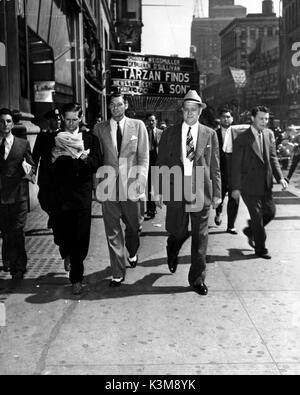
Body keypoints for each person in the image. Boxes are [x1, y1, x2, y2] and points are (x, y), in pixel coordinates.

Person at [156, 90, 221, 296]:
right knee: (177, 230)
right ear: (182, 111)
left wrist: (218, 193)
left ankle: (197, 279)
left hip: (201, 190)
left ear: (200, 112)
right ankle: (172, 246)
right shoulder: (169, 133)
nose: (190, 113)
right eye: (187, 109)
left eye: (194, 110)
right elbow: (162, 164)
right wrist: (158, 190)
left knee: (200, 237)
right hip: (176, 187)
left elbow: (215, 167)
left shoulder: (209, 134)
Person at [93, 93, 149, 288]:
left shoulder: (138, 126)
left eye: (119, 104)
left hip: (132, 185)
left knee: (134, 227)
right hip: (108, 186)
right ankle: (117, 272)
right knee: (112, 231)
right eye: (112, 105)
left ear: (125, 105)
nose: (115, 108)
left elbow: (143, 157)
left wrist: (141, 181)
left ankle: (132, 252)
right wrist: (97, 186)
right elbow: (96, 159)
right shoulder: (99, 129)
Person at [51, 103, 102, 295]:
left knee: (81, 236)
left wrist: (82, 156)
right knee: (63, 234)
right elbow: (49, 171)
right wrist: (53, 158)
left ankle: (76, 277)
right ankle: (66, 253)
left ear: (80, 118)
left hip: (81, 194)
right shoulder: (54, 138)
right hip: (61, 195)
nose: (71, 124)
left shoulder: (90, 139)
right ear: (63, 119)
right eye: (68, 119)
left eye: (75, 119)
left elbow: (97, 163)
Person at [231, 106, 288, 260]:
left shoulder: (269, 134)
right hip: (248, 186)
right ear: (252, 118)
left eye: (266, 118)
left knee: (270, 213)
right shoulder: (242, 139)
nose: (264, 121)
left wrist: (280, 177)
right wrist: (235, 187)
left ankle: (250, 232)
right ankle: (261, 249)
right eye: (261, 118)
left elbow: (273, 158)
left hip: (266, 184)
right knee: (257, 218)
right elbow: (235, 165)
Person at [0, 108, 36, 280]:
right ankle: (7, 260)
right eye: (2, 121)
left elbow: (32, 165)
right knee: (6, 231)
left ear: (13, 124)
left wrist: (28, 172)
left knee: (18, 230)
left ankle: (19, 267)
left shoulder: (22, 144)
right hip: (1, 197)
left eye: (8, 121)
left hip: (18, 196)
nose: (5, 124)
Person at [214, 108, 247, 234]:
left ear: (232, 119)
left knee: (235, 197)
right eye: (223, 116)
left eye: (228, 116)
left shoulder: (239, 133)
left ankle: (231, 225)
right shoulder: (214, 134)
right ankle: (218, 212)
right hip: (220, 170)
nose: (225, 119)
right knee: (219, 195)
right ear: (219, 119)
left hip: (235, 170)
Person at [32, 109, 61, 229]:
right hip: (45, 173)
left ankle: (56, 218)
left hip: (60, 174)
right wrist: (32, 171)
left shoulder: (63, 135)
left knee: (58, 199)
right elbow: (35, 155)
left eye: (59, 119)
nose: (58, 121)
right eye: (55, 119)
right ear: (49, 121)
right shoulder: (42, 136)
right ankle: (53, 215)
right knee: (43, 198)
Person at [145, 113, 163, 220]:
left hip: (157, 162)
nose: (151, 122)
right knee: (148, 186)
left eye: (153, 120)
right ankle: (150, 209)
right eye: (149, 120)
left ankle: (154, 206)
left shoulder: (161, 133)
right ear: (147, 122)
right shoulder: (143, 132)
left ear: (156, 121)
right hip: (147, 162)